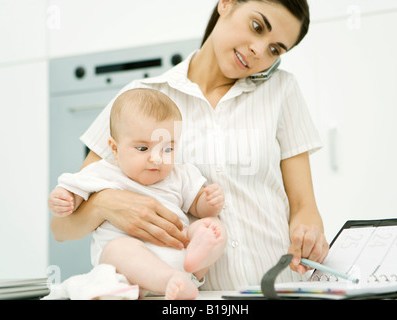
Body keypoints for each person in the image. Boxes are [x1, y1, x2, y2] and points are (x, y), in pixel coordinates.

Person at [51, 0, 329, 291]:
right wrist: (106, 204)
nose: (259, 51)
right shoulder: (139, 99)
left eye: (275, 49)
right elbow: (62, 228)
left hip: (279, 289)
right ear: (227, 3)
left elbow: (304, 207)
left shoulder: (282, 90)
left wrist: (309, 235)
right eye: (257, 27)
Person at [48, 88, 227, 299]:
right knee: (118, 249)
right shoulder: (103, 172)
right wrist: (63, 198)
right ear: (114, 149)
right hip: (128, 271)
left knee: (213, 227)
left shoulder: (180, 174)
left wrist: (210, 201)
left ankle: (195, 263)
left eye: (167, 149)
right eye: (143, 149)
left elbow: (199, 206)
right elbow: (73, 192)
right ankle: (173, 279)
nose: (157, 159)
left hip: (179, 248)